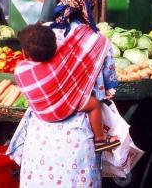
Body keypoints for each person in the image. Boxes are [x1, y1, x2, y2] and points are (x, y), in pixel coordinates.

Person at [7, 0, 118, 187]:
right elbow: (110, 89)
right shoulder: (99, 42)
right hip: (77, 142)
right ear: (91, 0)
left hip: (40, 136)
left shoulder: (42, 34)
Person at [17, 23, 120, 152]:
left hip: (42, 113)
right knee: (94, 104)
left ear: (25, 53)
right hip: (63, 108)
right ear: (56, 47)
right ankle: (99, 140)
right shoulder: (61, 64)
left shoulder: (20, 70)